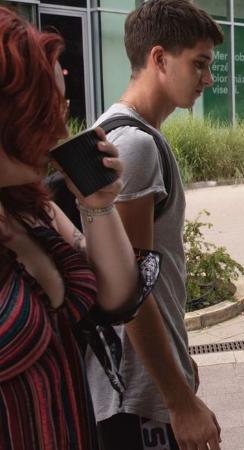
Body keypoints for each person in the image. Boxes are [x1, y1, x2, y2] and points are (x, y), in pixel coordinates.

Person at [0, 8, 148, 448]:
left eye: (63, 105)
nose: (61, 127)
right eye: (44, 110)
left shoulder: (28, 204)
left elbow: (116, 294)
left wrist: (98, 204)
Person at [83, 1, 223, 449]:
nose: (208, 78)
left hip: (137, 384)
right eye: (198, 64)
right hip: (134, 395)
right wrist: (179, 399)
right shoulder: (136, 144)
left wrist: (179, 360)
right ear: (159, 59)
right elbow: (130, 293)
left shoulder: (115, 129)